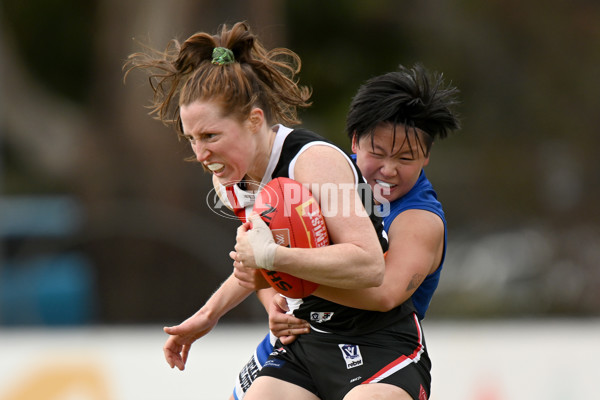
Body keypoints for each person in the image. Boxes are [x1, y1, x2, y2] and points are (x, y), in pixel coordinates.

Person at [123, 21, 388, 400]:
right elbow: (260, 265)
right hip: (307, 336)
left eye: (211, 136)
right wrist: (211, 314)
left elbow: (370, 265)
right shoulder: (230, 181)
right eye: (192, 139)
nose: (200, 155)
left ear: (254, 120)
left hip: (374, 334)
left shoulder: (312, 163)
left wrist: (272, 257)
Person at [239, 64, 461, 400]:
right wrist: (275, 302)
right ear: (355, 141)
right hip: (308, 340)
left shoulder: (420, 220)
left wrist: (282, 268)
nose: (388, 170)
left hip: (381, 349)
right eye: (377, 153)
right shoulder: (326, 179)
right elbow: (259, 264)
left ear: (426, 156)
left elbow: (384, 292)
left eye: (405, 158)